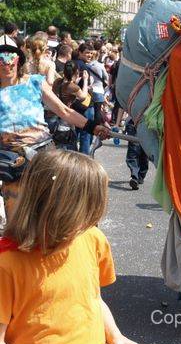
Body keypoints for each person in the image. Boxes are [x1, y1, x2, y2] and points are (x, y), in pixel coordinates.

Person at [0, 149, 138, 344]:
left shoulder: (93, 238)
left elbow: (93, 298)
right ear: (55, 210)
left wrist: (116, 336)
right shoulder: (7, 263)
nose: (91, 221)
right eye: (86, 212)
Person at [0, 35, 109, 221]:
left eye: (10, 57)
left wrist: (93, 127)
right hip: (11, 163)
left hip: (43, 155)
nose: (6, 64)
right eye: (1, 59)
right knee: (17, 220)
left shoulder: (34, 82)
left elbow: (64, 111)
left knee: (51, 212)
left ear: (19, 60)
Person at [50, 61, 91, 150]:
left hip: (54, 116)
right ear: (77, 72)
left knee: (57, 145)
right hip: (66, 118)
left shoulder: (57, 82)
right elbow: (83, 97)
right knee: (69, 147)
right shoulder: (73, 87)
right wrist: (85, 80)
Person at [125, 118, 148, 190]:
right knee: (133, 151)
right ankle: (135, 177)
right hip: (133, 123)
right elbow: (122, 109)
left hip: (147, 122)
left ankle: (140, 176)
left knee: (144, 151)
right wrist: (117, 124)